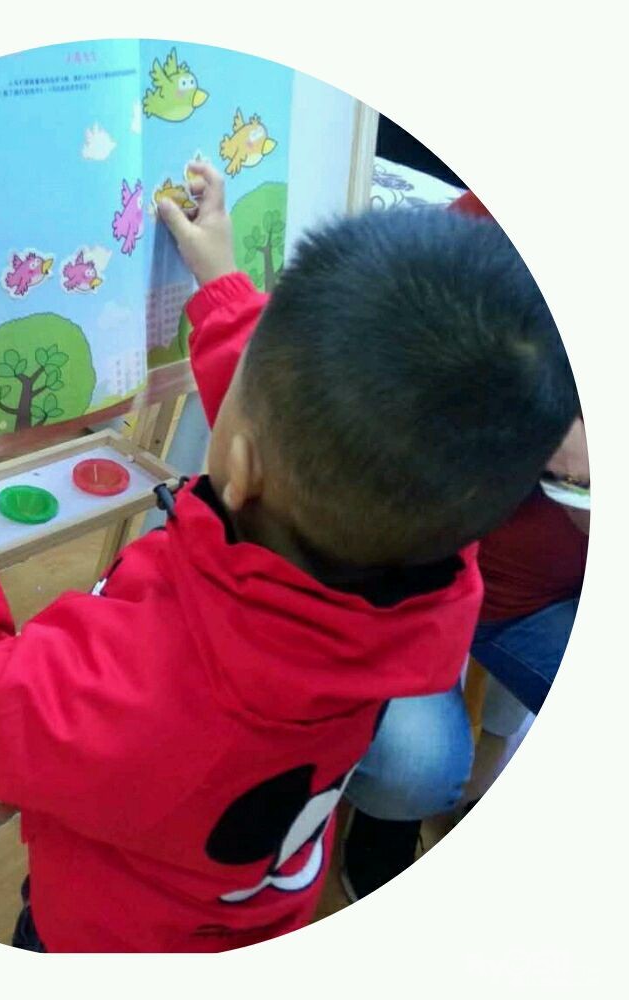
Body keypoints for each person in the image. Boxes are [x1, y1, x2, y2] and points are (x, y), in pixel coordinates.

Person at [0, 164, 577, 952]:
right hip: (258, 907)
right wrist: (220, 284)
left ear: (246, 463)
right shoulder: (426, 550)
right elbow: (308, 435)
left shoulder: (135, 688)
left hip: (106, 937)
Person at [340, 192, 589, 902]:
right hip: (418, 573)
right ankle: (392, 819)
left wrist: (582, 479)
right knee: (416, 763)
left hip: (533, 592)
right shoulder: (476, 237)